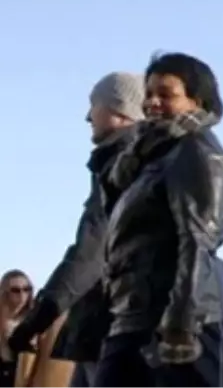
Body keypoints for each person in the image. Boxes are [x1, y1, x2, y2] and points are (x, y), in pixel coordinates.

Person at [92, 53, 223, 387]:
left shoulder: (195, 150)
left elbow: (198, 237)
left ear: (197, 101)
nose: (152, 102)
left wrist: (182, 320)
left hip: (190, 317)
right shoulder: (148, 155)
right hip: (135, 315)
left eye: (166, 95)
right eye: (149, 93)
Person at [8, 73, 145, 388]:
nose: (87, 116)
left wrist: (36, 320)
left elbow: (90, 252)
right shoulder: (125, 161)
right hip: (108, 324)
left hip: (112, 325)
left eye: (94, 106)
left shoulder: (122, 165)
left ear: (121, 110)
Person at [1, 271, 35, 388]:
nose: (22, 295)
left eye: (27, 289)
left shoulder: (36, 320)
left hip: (29, 378)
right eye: (16, 290)